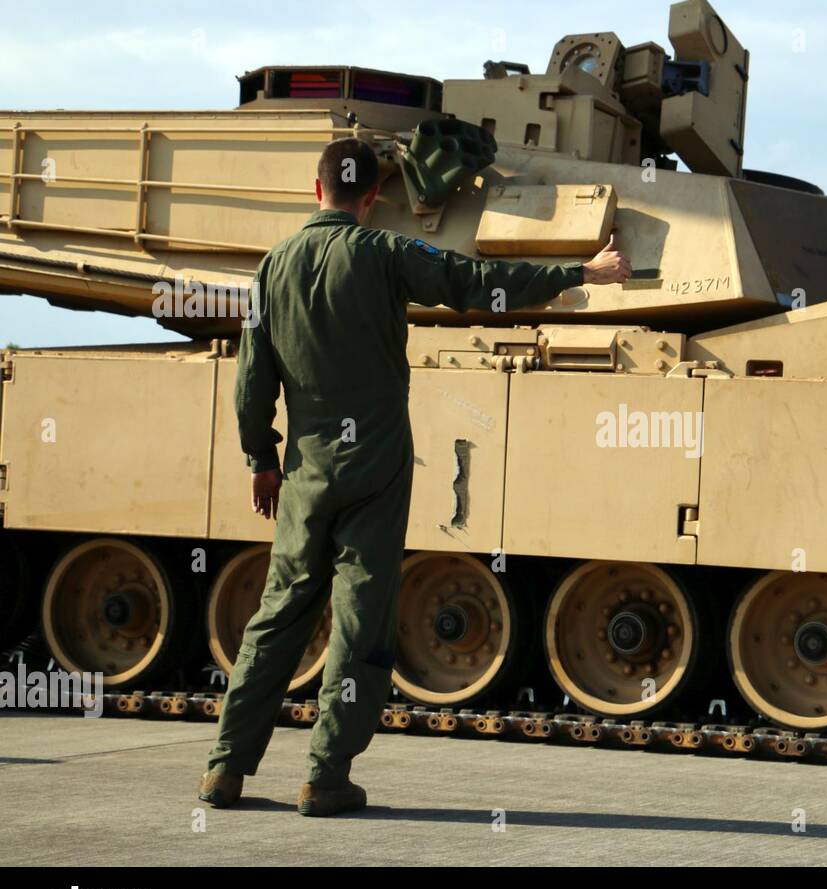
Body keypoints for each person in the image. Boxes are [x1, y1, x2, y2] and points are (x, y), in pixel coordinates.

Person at [198, 137, 630, 816]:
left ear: (317, 192)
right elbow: (474, 284)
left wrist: (261, 460)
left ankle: (225, 768)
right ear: (373, 198)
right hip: (373, 467)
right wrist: (579, 270)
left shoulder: (272, 267)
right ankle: (325, 776)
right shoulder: (385, 253)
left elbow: (252, 383)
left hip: (306, 473)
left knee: (278, 616)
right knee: (359, 623)